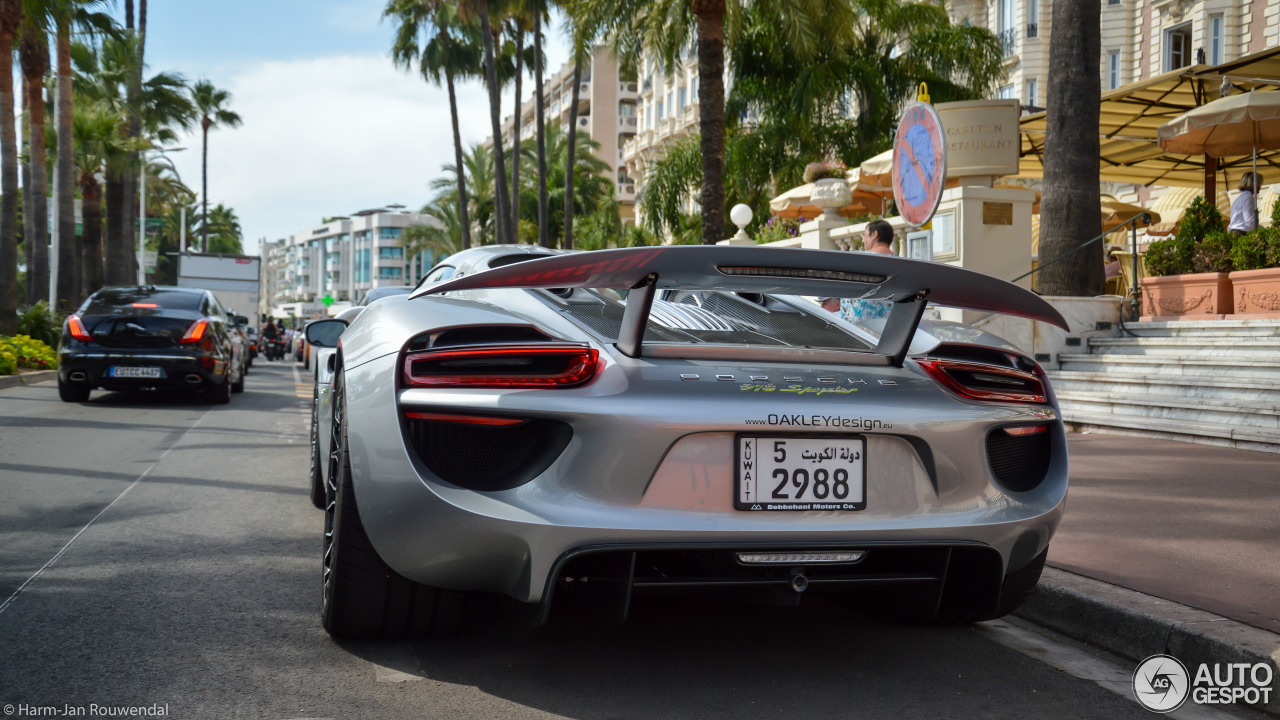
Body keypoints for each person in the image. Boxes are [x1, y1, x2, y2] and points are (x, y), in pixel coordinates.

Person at [839, 220, 896, 327]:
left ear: (875, 234)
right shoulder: (901, 263)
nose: (863, 240)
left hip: (859, 330)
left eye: (864, 235)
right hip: (890, 329)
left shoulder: (857, 259)